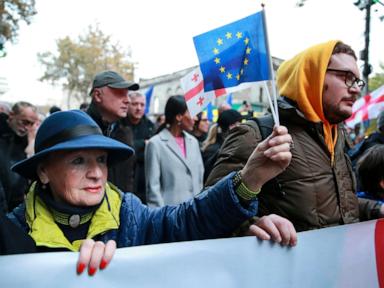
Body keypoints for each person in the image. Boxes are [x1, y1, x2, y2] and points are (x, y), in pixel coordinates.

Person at [7, 110, 296, 272]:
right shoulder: (12, 233)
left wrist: (249, 180)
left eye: (102, 160)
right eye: (78, 160)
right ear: (43, 171)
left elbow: (187, 221)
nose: (96, 172)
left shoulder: (130, 213)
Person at [206, 40, 384, 232]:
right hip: (278, 262)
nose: (356, 89)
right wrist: (250, 226)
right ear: (311, 76)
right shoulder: (257, 134)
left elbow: (335, 205)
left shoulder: (335, 136)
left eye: (357, 80)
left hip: (335, 260)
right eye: (346, 77)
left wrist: (377, 209)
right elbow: (208, 211)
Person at [145, 96, 204, 207]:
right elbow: (153, 188)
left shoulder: (194, 142)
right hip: (170, 215)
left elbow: (199, 179)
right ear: (179, 117)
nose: (196, 118)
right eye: (191, 113)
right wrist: (161, 218)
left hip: (194, 214)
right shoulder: (156, 144)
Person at [87, 70, 138, 194]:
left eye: (127, 94)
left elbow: (128, 178)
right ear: (98, 95)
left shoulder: (125, 132)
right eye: (120, 93)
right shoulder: (78, 130)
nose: (128, 100)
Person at [0, 101, 39, 212]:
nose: (27, 127)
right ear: (12, 115)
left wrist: (31, 145)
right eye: (24, 122)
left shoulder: (26, 142)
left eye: (31, 124)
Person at [122, 91, 155, 203]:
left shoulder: (150, 126)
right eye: (135, 104)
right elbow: (123, 150)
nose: (139, 108)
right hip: (123, 180)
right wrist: (142, 144)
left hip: (144, 180)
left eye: (142, 105)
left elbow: (152, 152)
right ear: (128, 105)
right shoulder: (119, 124)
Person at [202, 109, 243, 182]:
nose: (239, 127)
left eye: (240, 123)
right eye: (234, 125)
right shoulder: (213, 150)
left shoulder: (233, 146)